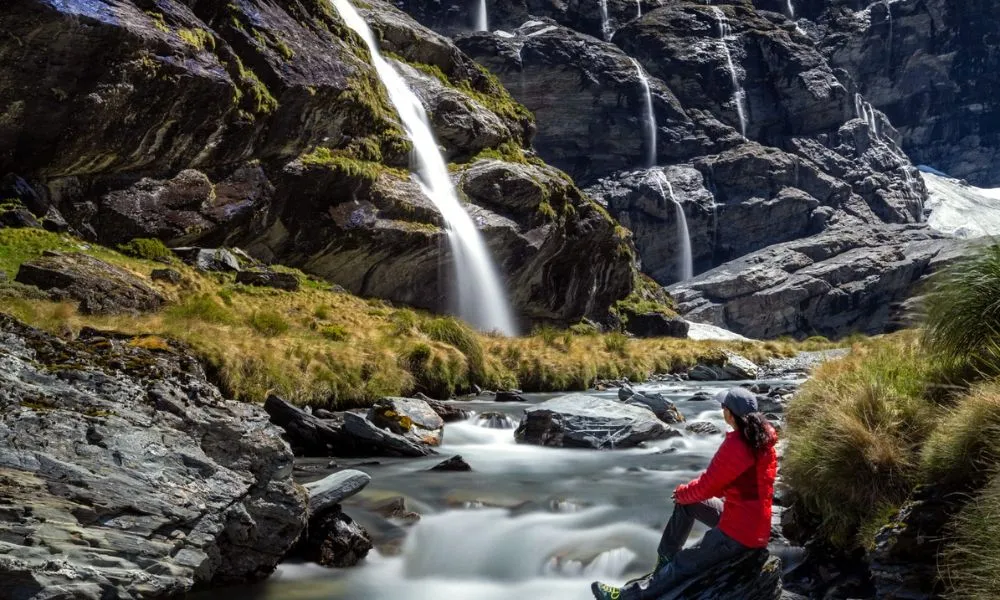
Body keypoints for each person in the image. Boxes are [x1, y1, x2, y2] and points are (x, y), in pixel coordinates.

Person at [591, 387, 779, 600]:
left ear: (730, 413)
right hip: (751, 523)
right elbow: (723, 484)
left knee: (684, 563)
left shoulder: (737, 444)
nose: (721, 409)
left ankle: (627, 596)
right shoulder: (761, 439)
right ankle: (665, 558)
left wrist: (682, 492)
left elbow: (708, 487)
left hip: (737, 534)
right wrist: (688, 492)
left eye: (723, 406)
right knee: (688, 503)